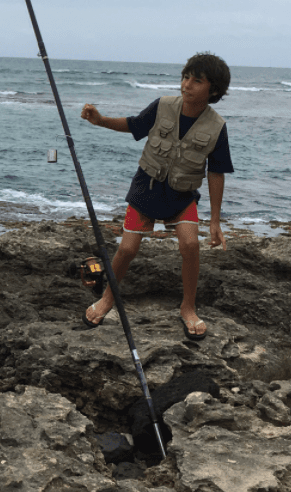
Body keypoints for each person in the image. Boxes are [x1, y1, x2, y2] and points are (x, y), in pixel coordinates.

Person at [80, 52, 233, 341]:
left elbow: (217, 173)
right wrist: (100, 121)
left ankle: (188, 306)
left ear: (213, 90)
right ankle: (107, 299)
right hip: (145, 189)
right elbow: (134, 125)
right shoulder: (163, 105)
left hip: (182, 196)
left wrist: (215, 221)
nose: (186, 85)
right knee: (127, 249)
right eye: (185, 77)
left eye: (196, 81)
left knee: (191, 245)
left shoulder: (217, 127)